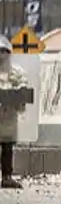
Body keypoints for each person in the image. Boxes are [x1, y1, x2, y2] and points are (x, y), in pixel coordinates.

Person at [0, 36, 26, 189]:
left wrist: (17, 93)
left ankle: (7, 176)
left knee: (7, 148)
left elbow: (23, 87)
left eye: (4, 51)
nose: (1, 55)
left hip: (9, 116)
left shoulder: (16, 71)